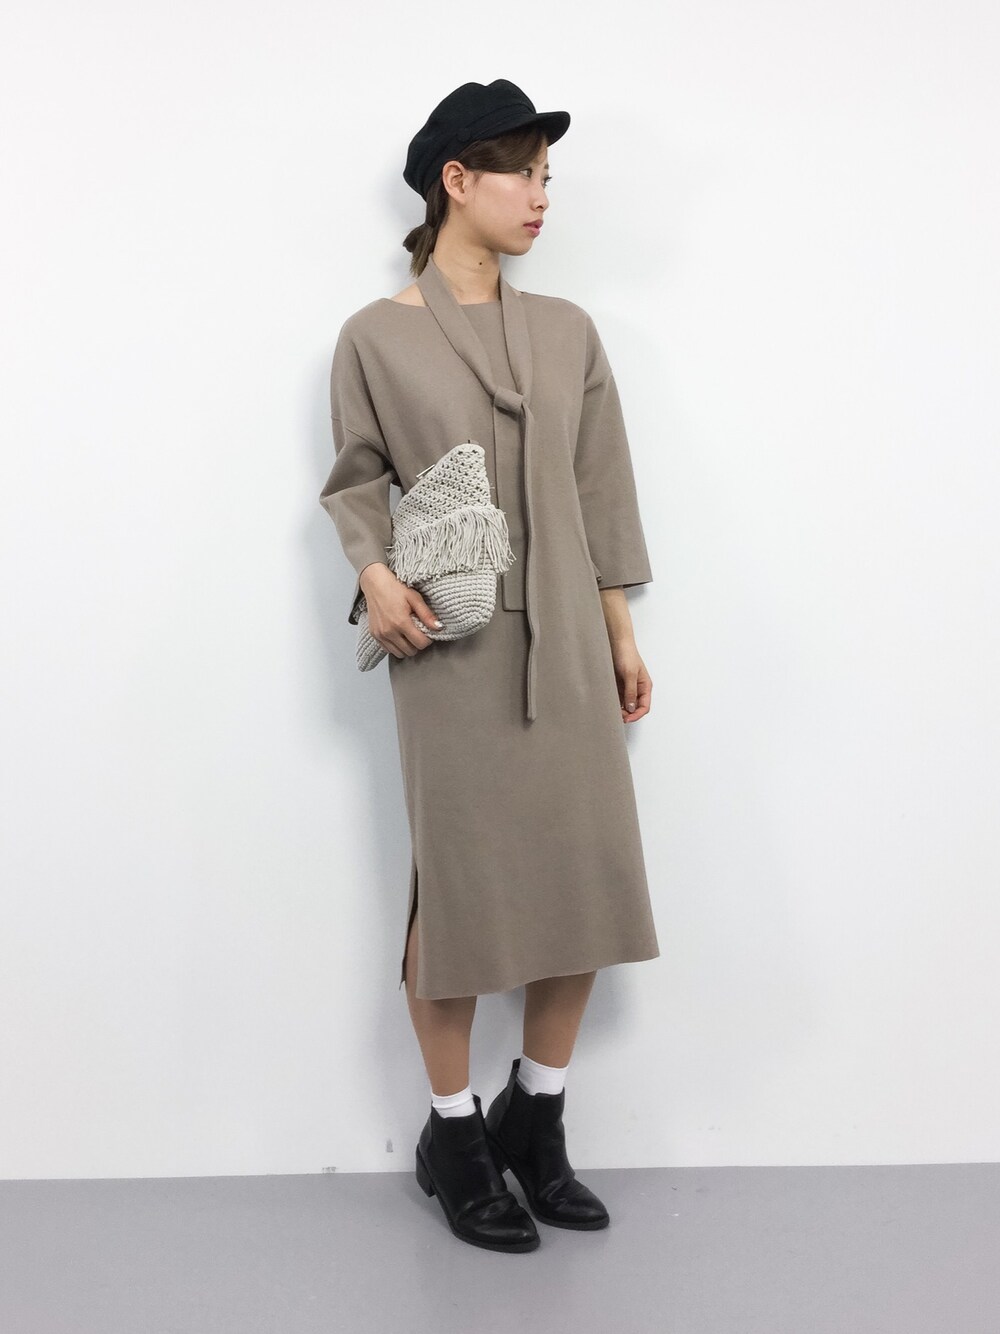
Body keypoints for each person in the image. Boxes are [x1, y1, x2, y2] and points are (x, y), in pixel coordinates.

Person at [319, 79, 660, 1253]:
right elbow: (356, 478)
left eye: (547, 176)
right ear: (455, 180)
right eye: (521, 171)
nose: (540, 195)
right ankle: (454, 1134)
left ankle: (537, 1117)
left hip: (566, 640)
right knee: (459, 895)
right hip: (450, 649)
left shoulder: (566, 330)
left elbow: (599, 489)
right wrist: (374, 573)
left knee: (583, 880)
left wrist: (620, 634)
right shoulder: (375, 335)